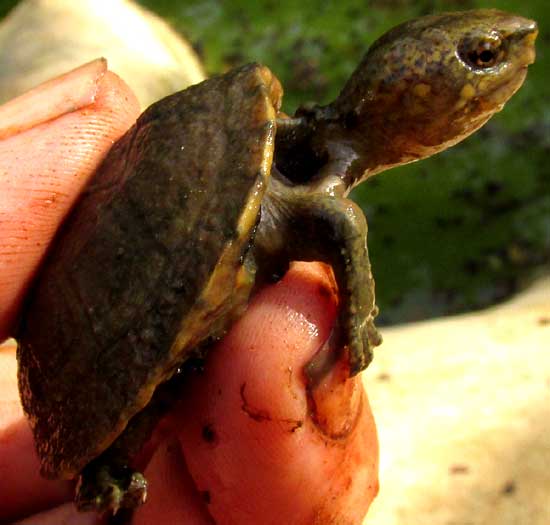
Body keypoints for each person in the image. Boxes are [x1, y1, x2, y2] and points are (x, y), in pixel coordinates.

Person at [0, 61, 378, 524]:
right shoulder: (290, 174)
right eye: (481, 56)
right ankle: (104, 471)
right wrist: (357, 320)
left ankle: (107, 469)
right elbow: (342, 223)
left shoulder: (293, 162)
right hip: (92, 336)